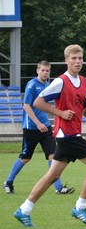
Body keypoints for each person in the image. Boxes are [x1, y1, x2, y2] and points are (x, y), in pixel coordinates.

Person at [12, 44, 86, 228]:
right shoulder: (60, 81)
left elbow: (85, 113)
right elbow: (38, 102)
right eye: (74, 58)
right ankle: (80, 207)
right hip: (67, 135)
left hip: (72, 133)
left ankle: (24, 210)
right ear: (66, 60)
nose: (78, 62)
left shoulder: (84, 82)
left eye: (80, 58)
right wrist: (60, 113)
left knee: (52, 176)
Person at [4, 61, 75, 195]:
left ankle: (58, 187)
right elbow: (26, 106)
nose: (45, 73)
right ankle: (8, 182)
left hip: (46, 127)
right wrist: (37, 123)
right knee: (25, 157)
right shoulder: (31, 85)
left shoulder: (48, 85)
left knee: (53, 156)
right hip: (31, 127)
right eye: (42, 70)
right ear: (37, 71)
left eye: (47, 71)